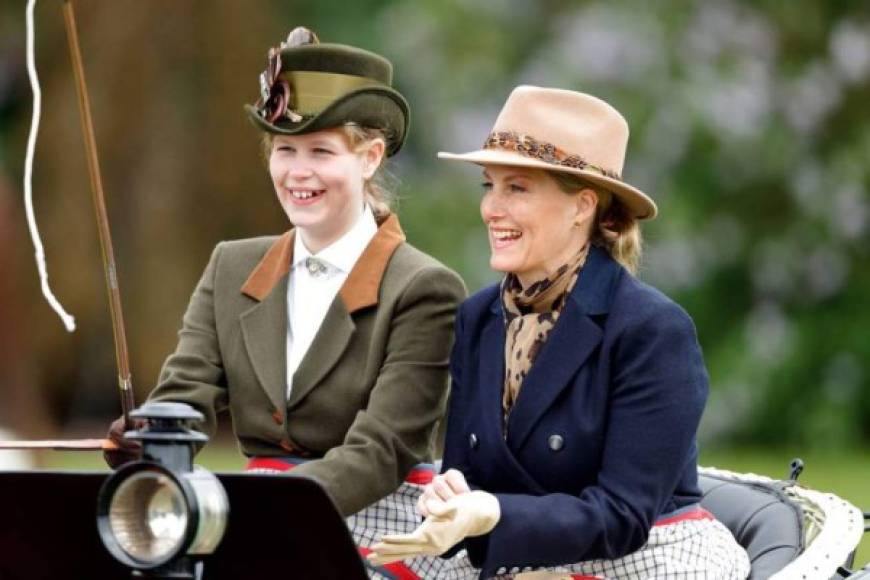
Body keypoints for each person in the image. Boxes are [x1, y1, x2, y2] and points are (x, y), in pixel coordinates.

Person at [105, 27, 466, 578]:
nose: (298, 172)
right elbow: (185, 395)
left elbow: (381, 451)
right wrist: (148, 437)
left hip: (372, 533)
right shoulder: (231, 266)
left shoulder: (424, 288)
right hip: (249, 521)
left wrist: (256, 513)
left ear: (369, 158)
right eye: (284, 150)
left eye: (321, 151)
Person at [369, 86, 751, 579]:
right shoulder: (477, 318)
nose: (491, 209)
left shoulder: (653, 330)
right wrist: (450, 500)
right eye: (489, 186)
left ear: (582, 206)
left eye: (517, 188)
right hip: (511, 557)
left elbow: (623, 516)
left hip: (644, 558)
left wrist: (494, 513)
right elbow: (468, 472)